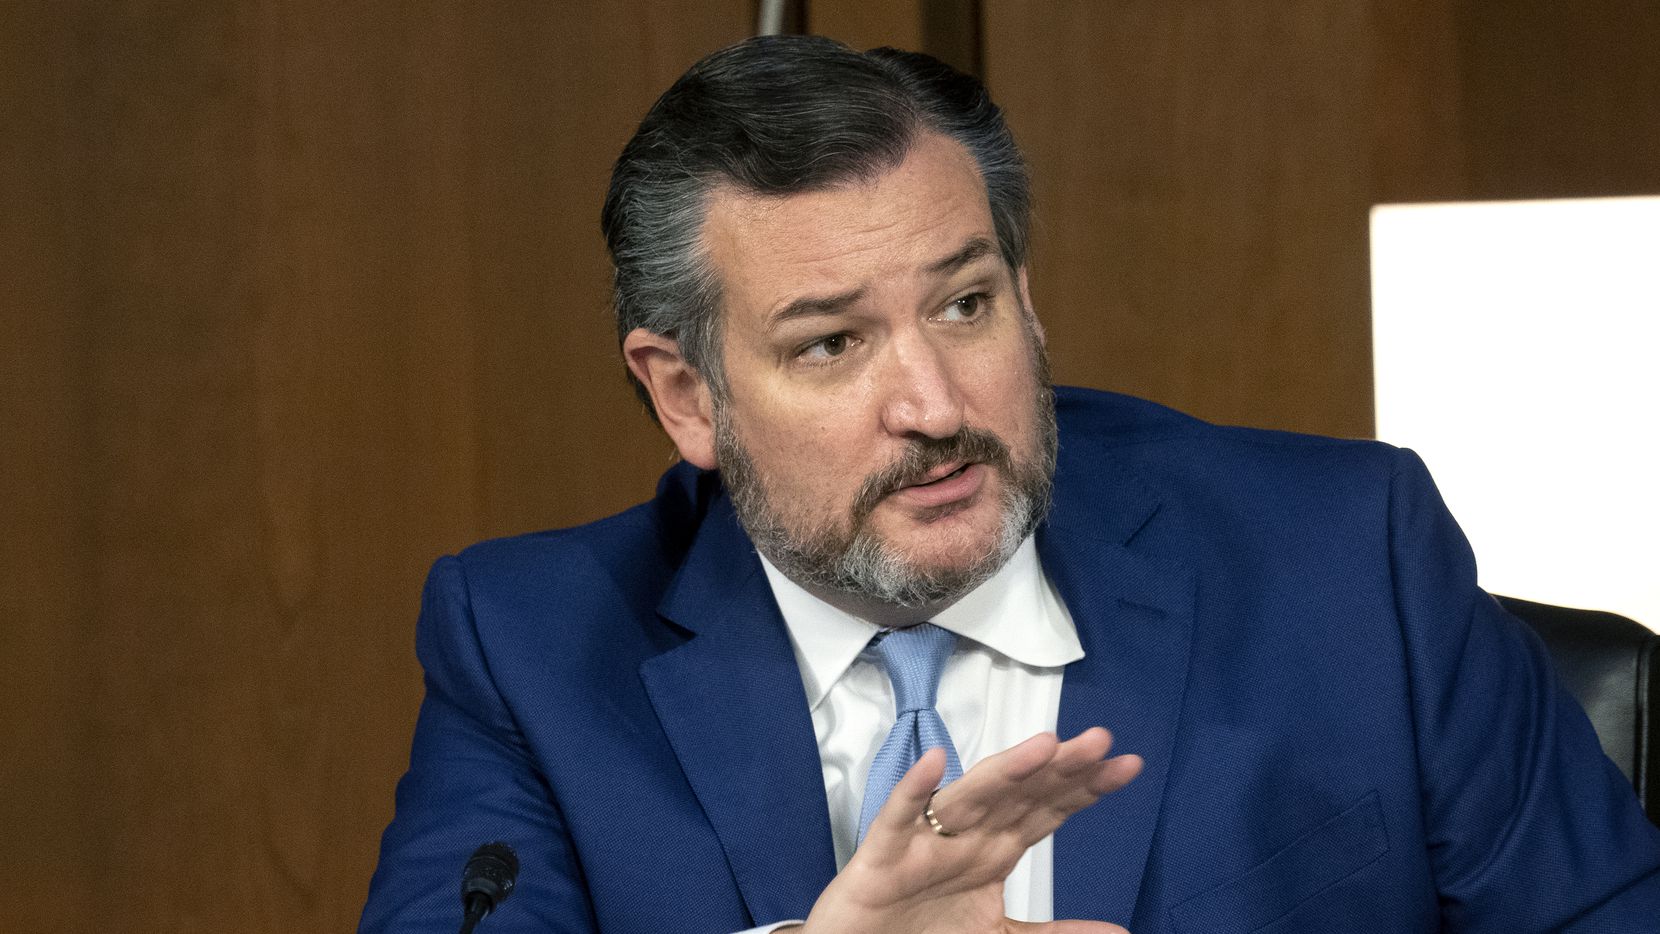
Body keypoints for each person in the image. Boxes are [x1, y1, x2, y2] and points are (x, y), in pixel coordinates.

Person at [360, 35, 1660, 933]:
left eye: (966, 303)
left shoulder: (1343, 559)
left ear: (1026, 297)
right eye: (830, 342)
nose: (935, 405)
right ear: (687, 394)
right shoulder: (528, 649)